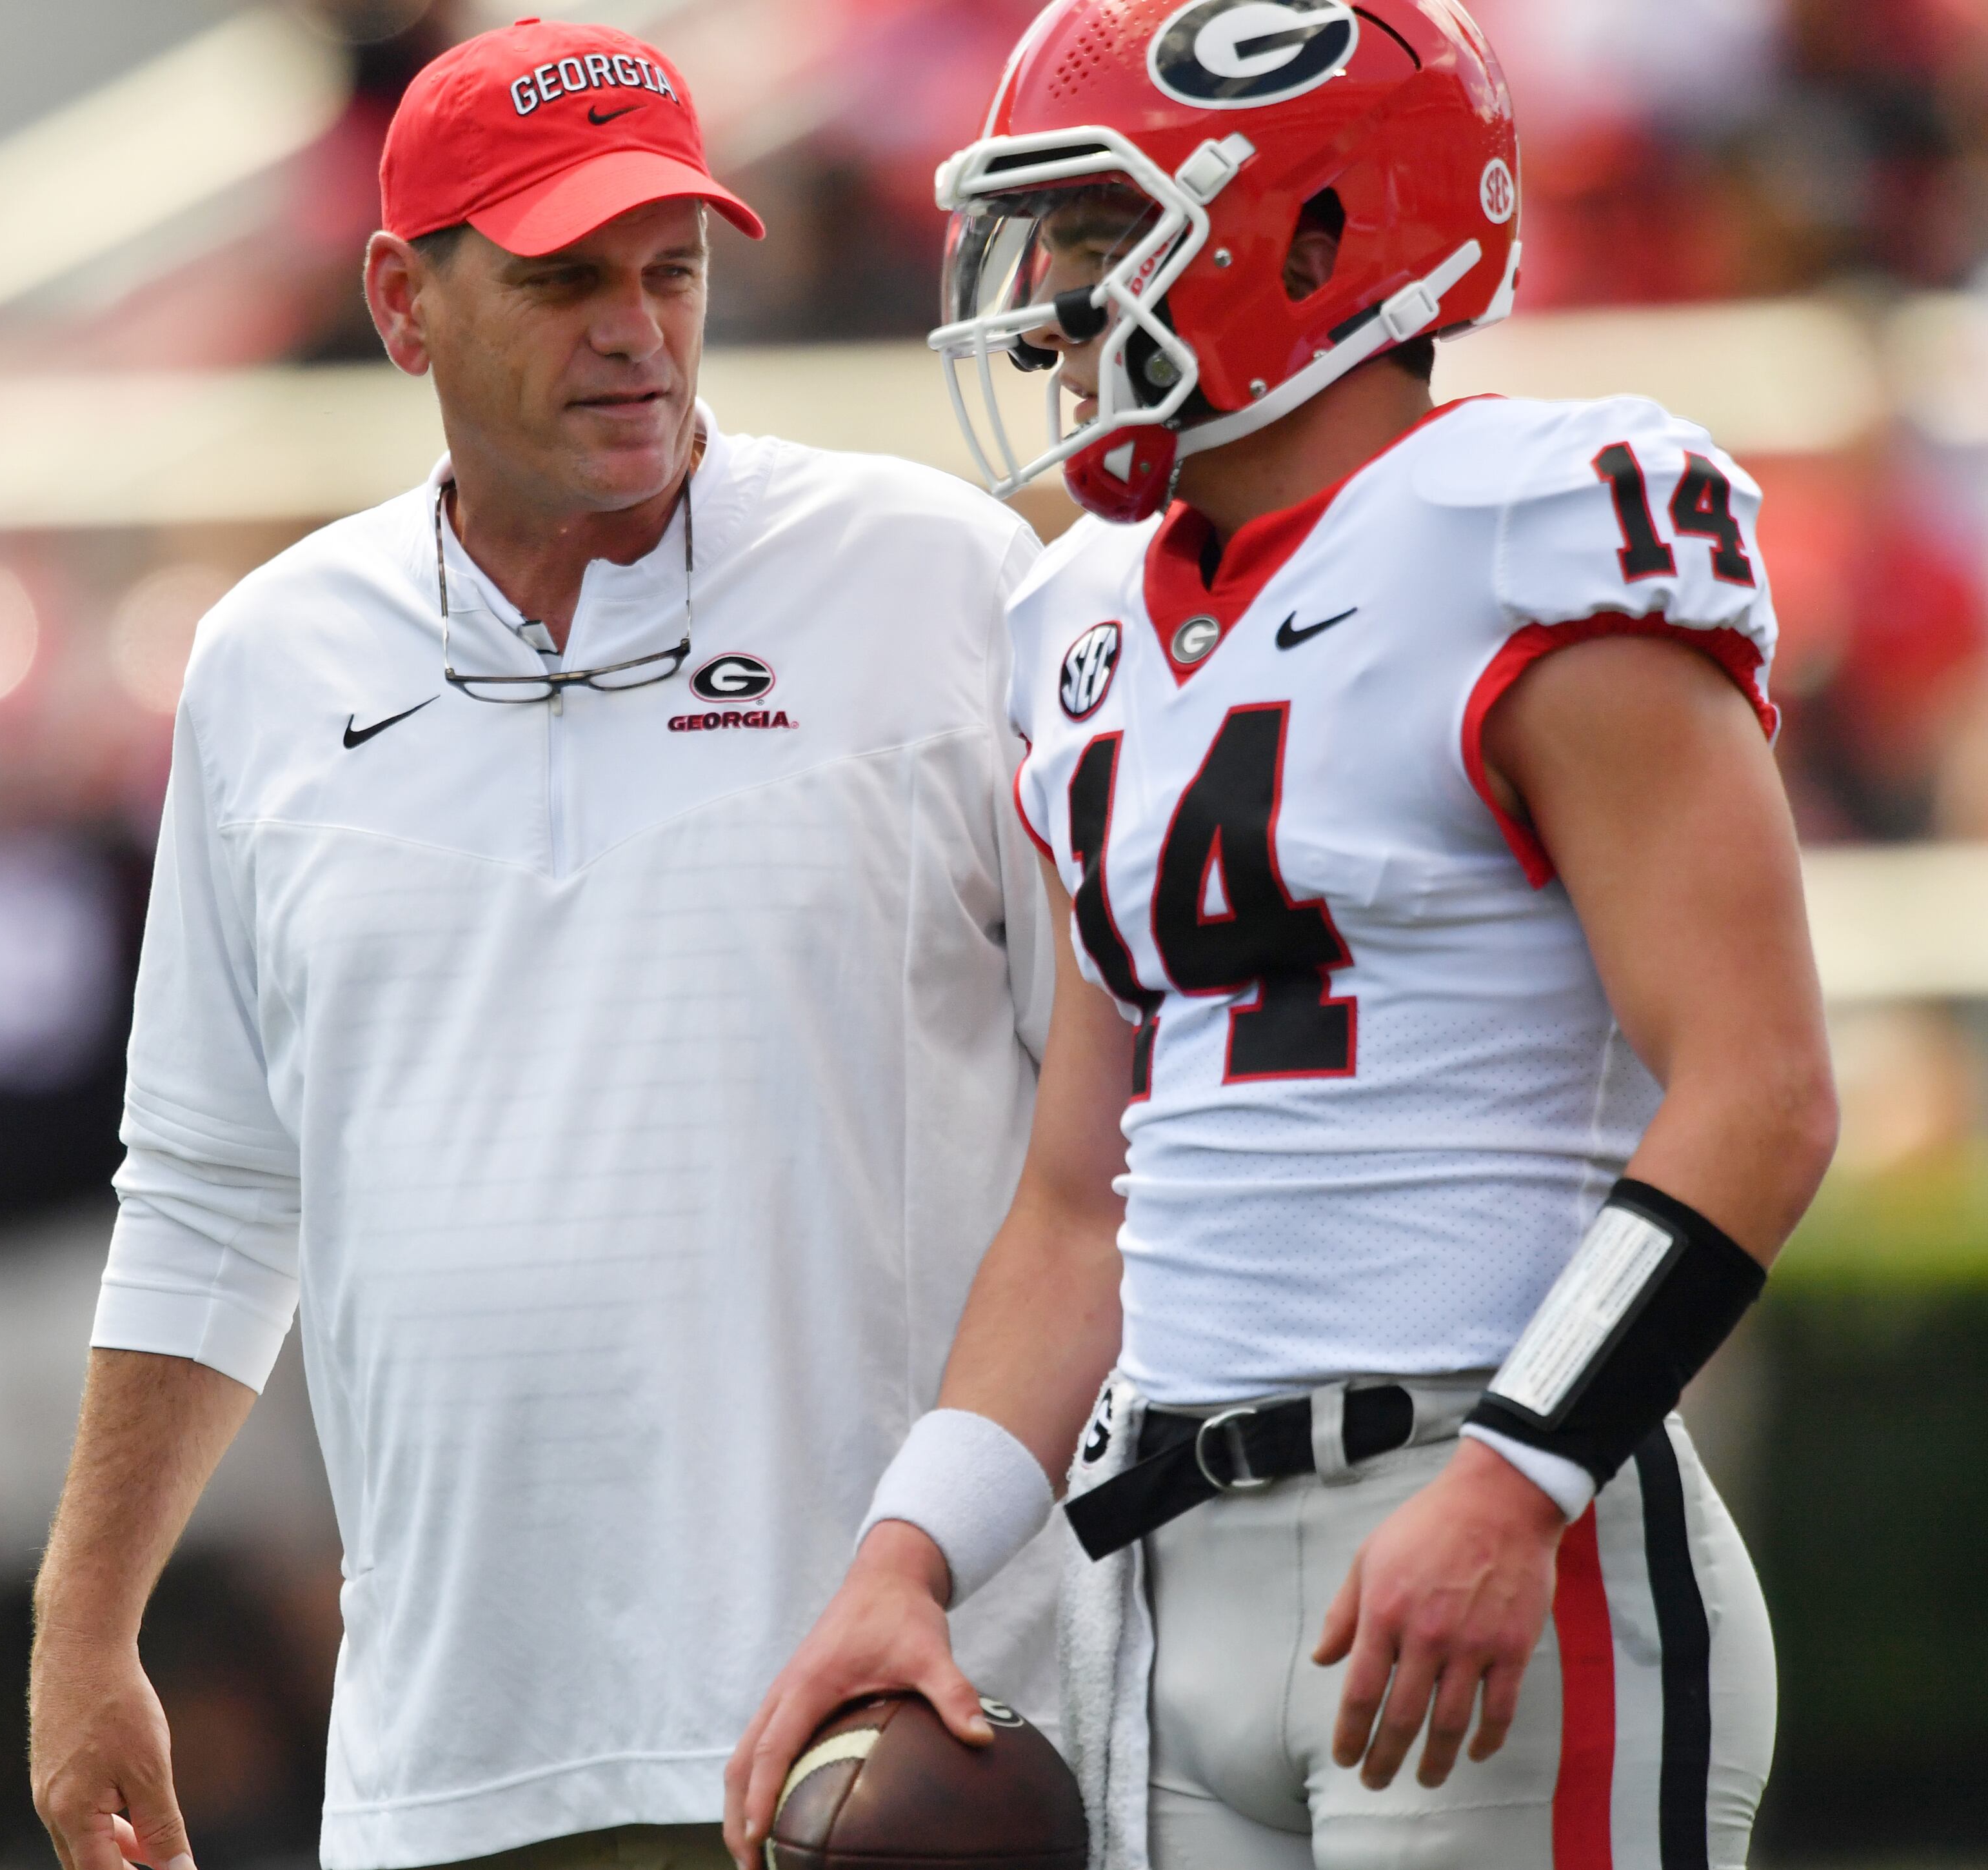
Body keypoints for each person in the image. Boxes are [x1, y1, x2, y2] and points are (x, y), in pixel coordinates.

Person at [728, 5, 1837, 1869]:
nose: (1058, 300)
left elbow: (1765, 1090)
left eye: (1104, 232)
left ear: (1322, 238)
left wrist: (1516, 1482)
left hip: (1485, 1514)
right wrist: (904, 1552)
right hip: (1168, 1567)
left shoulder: (1526, 524)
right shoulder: (1075, 628)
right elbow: (1087, 1195)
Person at [28, 19, 1068, 1870]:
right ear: (402, 302)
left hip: (892, 1750)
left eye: (670, 272)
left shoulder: (947, 584)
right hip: (451, 1760)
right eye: (563, 277)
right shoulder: (268, 663)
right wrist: (86, 1619)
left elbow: (1113, 1148)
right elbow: (207, 1186)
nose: (636, 329)